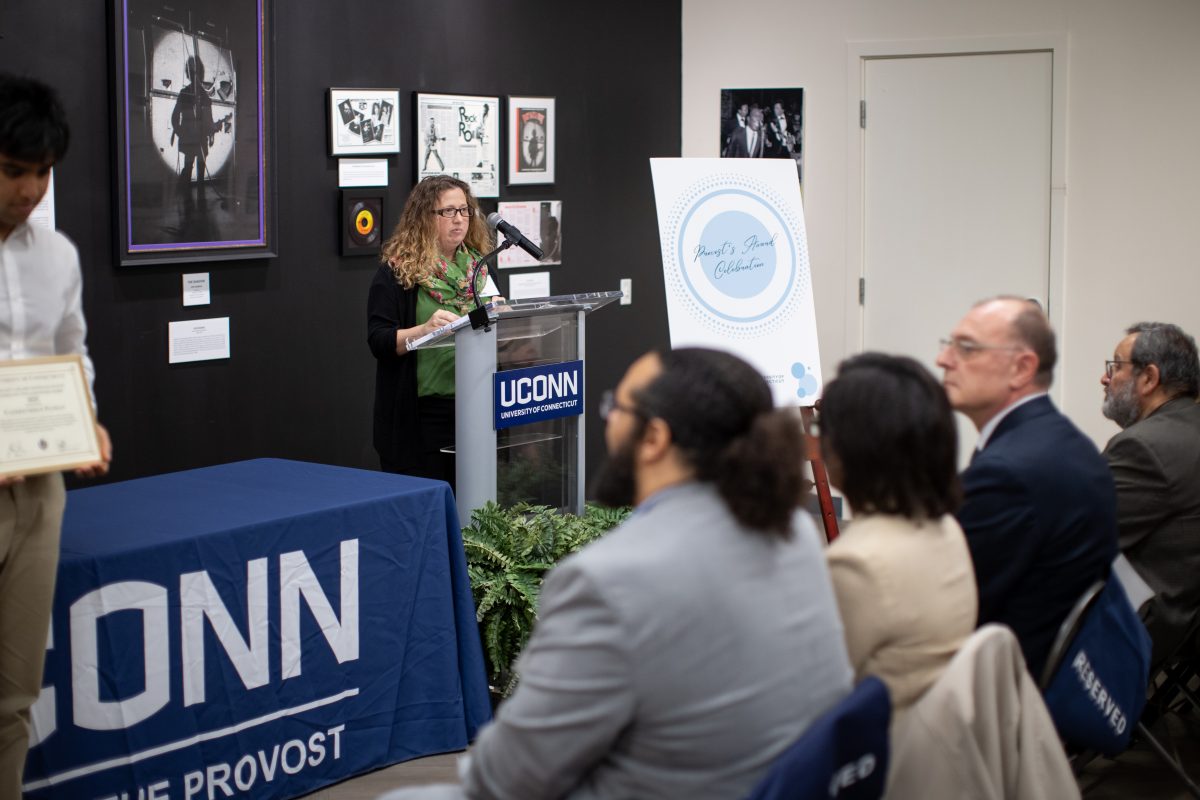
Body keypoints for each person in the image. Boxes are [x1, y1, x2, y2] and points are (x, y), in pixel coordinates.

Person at [383, 348, 853, 799]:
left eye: (617, 407)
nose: (608, 418)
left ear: (654, 439)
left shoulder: (608, 581)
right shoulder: (791, 530)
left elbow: (503, 781)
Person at [0, 73, 112, 797]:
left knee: (13, 698)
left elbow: (73, 355)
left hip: (41, 491)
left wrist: (90, 419)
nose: (31, 190)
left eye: (42, 173)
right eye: (14, 171)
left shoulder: (58, 256)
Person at [935, 296, 1117, 677]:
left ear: (1022, 368)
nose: (944, 359)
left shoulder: (1007, 473)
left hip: (996, 694)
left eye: (965, 348)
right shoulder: (1063, 442)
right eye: (948, 344)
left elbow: (946, 610)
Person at [821, 353, 977, 710]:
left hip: (884, 750)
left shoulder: (854, 563)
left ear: (850, 448)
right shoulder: (946, 526)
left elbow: (815, 695)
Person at [367, 175, 500, 487]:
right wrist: (424, 330)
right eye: (447, 212)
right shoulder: (399, 272)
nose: (459, 220)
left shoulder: (480, 269)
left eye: (464, 210)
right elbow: (379, 340)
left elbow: (494, 333)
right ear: (423, 218)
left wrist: (501, 318)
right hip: (422, 418)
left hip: (476, 407)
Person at [1100, 322, 1200, 661]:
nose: (1105, 378)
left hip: (1146, 622)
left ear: (1149, 378)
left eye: (1115, 366)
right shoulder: (1189, 427)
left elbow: (1082, 538)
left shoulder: (1142, 446)